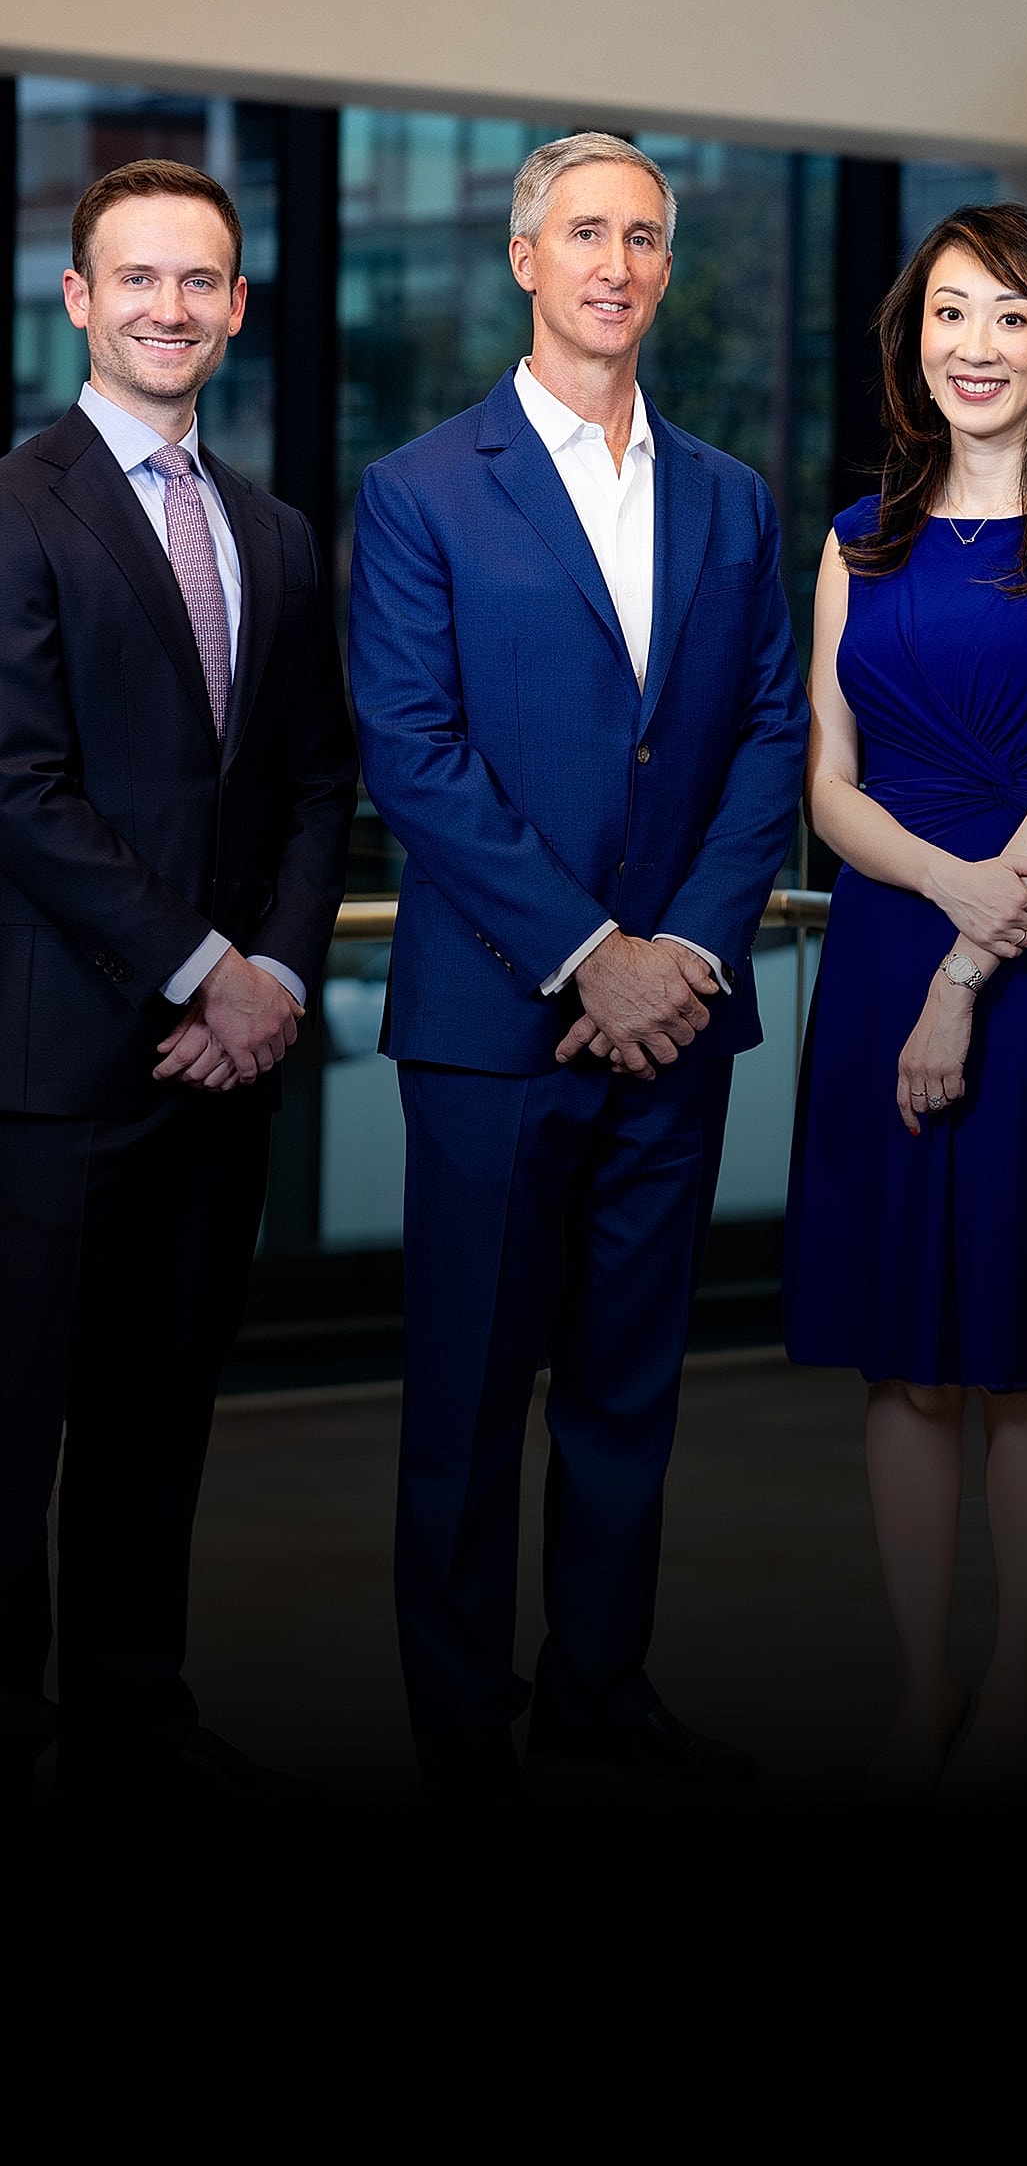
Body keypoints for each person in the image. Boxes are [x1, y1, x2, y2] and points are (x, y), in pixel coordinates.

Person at [348, 132, 808, 1813]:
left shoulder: (731, 496)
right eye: (584, 232)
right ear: (524, 259)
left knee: (627, 1391)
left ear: (664, 270)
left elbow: (769, 734)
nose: (616, 262)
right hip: (492, 1020)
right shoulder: (420, 487)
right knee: (467, 1403)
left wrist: (675, 953)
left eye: (646, 237)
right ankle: (463, 1731)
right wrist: (581, 954)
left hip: (674, 1021)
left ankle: (599, 1697)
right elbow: (409, 751)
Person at [783, 203, 1027, 1796]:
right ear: (911, 340)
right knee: (904, 1357)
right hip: (890, 940)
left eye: (1009, 316)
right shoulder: (855, 533)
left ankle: (1013, 1686)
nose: (976, 347)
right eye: (950, 315)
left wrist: (960, 969)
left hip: (1021, 955)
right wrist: (938, 902)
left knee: (1020, 1351)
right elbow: (828, 783)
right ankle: (922, 1677)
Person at [0, 158, 357, 1815]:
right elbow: (19, 787)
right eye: (135, 279)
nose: (169, 307)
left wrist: (280, 966)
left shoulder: (273, 531)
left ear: (233, 304)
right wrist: (206, 968)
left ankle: (137, 1723)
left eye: (199, 281)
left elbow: (306, 781)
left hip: (220, 1079)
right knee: (16, 1438)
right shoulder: (14, 506)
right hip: (56, 1074)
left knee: (159, 1424)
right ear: (79, 300)